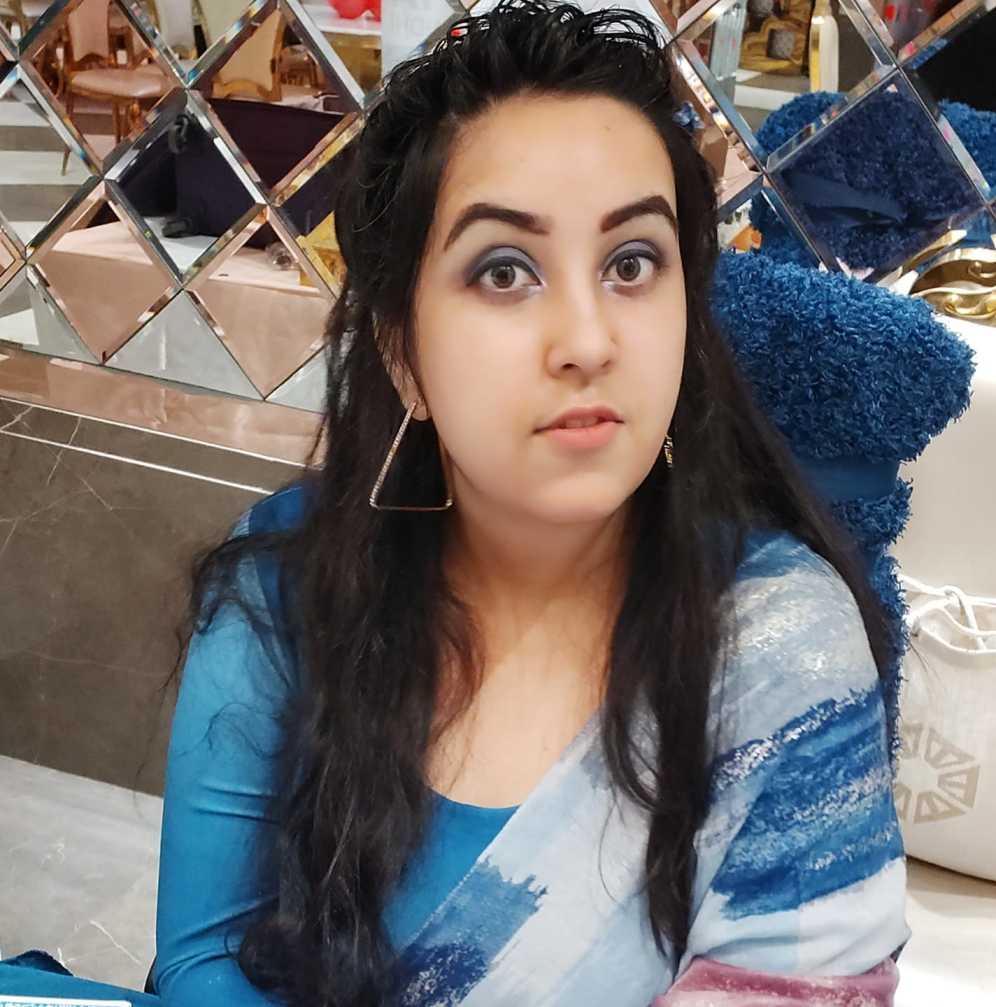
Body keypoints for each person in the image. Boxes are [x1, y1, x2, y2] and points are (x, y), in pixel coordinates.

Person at [0, 2, 910, 1004]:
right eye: (505, 270)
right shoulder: (289, 581)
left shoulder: (781, 644)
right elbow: (204, 957)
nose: (588, 340)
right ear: (404, 353)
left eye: (632, 263)